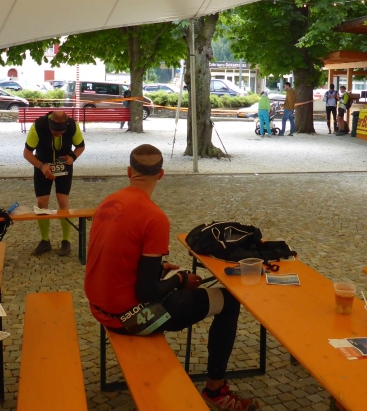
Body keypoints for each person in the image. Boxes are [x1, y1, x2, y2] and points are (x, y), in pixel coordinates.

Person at [84, 145, 259, 411]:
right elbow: (146, 293)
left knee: (177, 285)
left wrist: (159, 268)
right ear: (161, 174)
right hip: (128, 318)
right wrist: (179, 281)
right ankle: (216, 390)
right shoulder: (154, 217)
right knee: (229, 302)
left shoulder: (108, 202)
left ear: (129, 172)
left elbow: (118, 256)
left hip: (98, 306)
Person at [23, 111, 86, 256]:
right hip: (42, 165)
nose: (57, 134)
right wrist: (42, 167)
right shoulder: (38, 126)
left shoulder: (72, 126)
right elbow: (27, 153)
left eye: (61, 132)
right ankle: (45, 241)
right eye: (54, 131)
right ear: (49, 125)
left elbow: (81, 146)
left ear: (66, 126)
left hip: (64, 166)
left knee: (63, 201)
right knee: (42, 203)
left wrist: (72, 157)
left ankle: (66, 241)